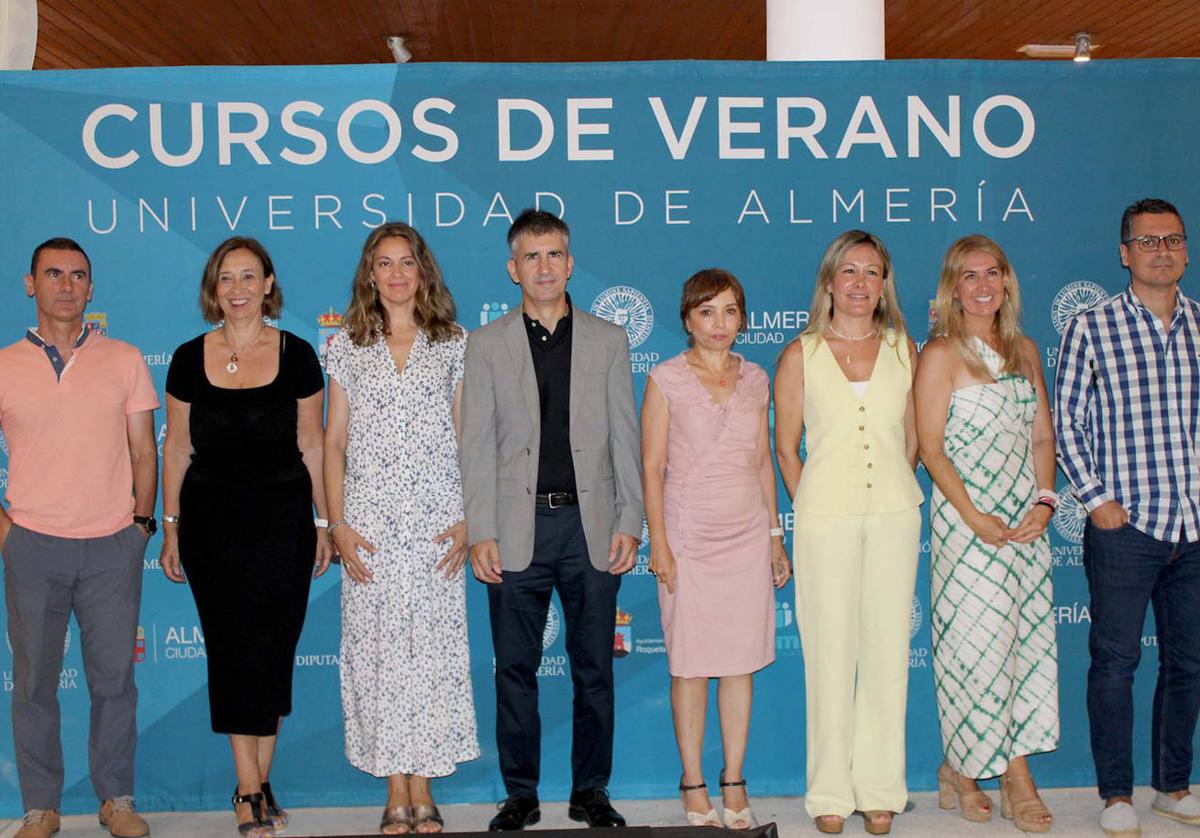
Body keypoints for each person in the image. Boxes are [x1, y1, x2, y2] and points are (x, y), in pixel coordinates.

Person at [459, 209, 643, 831]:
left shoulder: (609, 339)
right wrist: (480, 529)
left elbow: (627, 437)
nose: (544, 267)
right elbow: (475, 445)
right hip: (515, 532)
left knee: (594, 671)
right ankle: (521, 794)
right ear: (513, 269)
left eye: (555, 255)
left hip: (590, 530)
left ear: (570, 262)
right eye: (531, 257)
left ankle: (591, 791)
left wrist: (631, 519)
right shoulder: (483, 346)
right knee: (514, 671)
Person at [159, 236, 333, 837]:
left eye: (247, 276)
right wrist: (171, 528)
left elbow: (313, 446)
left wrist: (324, 524)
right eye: (225, 278)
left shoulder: (300, 354)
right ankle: (248, 788)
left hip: (284, 523)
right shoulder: (186, 358)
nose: (237, 289)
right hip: (210, 525)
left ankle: (261, 780)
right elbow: (177, 448)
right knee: (233, 651)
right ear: (215, 287)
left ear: (268, 283)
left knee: (273, 651)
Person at [323, 222, 480, 834]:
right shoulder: (346, 346)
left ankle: (425, 785)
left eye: (406, 263)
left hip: (439, 523)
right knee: (379, 656)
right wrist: (337, 524)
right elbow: (333, 442)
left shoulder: (453, 343)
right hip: (370, 526)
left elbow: (468, 437)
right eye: (384, 263)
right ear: (370, 273)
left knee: (433, 655)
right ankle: (395, 787)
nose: (395, 274)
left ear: (423, 271)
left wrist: (471, 516)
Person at [0, 238, 158, 838]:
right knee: (34, 682)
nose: (66, 285)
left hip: (112, 546)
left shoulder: (124, 358)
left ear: (91, 289)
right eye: (54, 274)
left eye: (78, 276)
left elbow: (145, 450)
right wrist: (7, 534)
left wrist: (141, 527)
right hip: (32, 545)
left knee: (114, 682)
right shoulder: (4, 364)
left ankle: (116, 799)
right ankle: (41, 806)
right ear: (30, 283)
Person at [1055, 198, 1200, 838]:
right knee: (1114, 663)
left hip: (1194, 527)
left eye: (1172, 240)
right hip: (1126, 526)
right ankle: (1116, 794)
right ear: (1125, 253)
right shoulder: (1092, 326)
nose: (1161, 251)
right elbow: (1066, 421)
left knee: (1188, 663)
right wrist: (1095, 498)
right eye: (1147, 242)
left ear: (1186, 251)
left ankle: (1172, 784)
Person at [774, 230, 922, 836]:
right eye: (850, 272)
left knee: (887, 652)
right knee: (830, 654)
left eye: (873, 272)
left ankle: (881, 787)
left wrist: (885, 483)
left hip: (894, 513)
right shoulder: (799, 354)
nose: (861, 284)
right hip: (823, 519)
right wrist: (818, 497)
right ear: (829, 282)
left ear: (885, 283)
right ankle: (830, 791)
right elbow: (785, 447)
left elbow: (914, 438)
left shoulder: (902, 347)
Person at [915, 235, 1058, 832]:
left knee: (1025, 649)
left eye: (992, 273)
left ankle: (1014, 771)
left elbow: (1043, 439)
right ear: (953, 287)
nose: (982, 286)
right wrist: (973, 516)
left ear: (1007, 282)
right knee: (974, 650)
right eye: (968, 276)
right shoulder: (941, 353)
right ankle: (969, 768)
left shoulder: (1024, 349)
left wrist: (1046, 505)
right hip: (966, 524)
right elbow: (930, 446)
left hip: (1026, 524)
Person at [641, 269, 791, 830]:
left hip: (747, 537)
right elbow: (652, 467)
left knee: (738, 666)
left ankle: (734, 779)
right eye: (707, 312)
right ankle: (693, 781)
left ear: (743, 319)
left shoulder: (756, 379)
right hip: (687, 539)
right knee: (690, 667)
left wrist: (776, 538)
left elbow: (760, 462)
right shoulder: (665, 379)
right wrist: (660, 543)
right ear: (687, 320)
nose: (719, 323)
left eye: (730, 311)